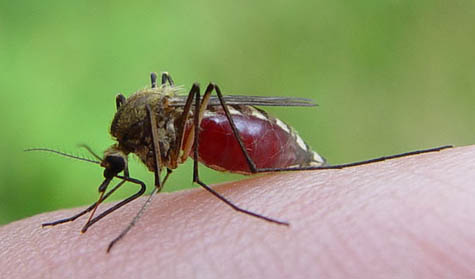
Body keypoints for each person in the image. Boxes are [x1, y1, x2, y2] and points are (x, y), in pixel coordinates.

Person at [2, 145, 474, 278]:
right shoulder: (127, 147)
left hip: (222, 129)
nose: (110, 175)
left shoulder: (143, 140)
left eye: (111, 169)